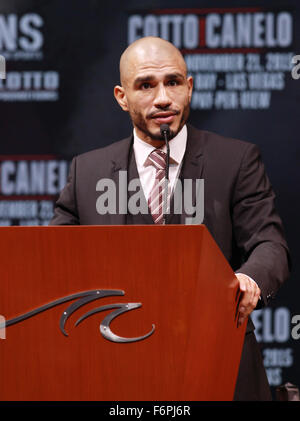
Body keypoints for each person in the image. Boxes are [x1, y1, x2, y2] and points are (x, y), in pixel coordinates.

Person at [50, 36, 290, 400]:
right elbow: (53, 257)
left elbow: (270, 244)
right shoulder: (89, 171)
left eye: (173, 82)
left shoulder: (236, 160)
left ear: (189, 88)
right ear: (121, 97)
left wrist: (248, 278)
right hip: (115, 366)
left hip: (216, 360)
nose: (163, 98)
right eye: (146, 85)